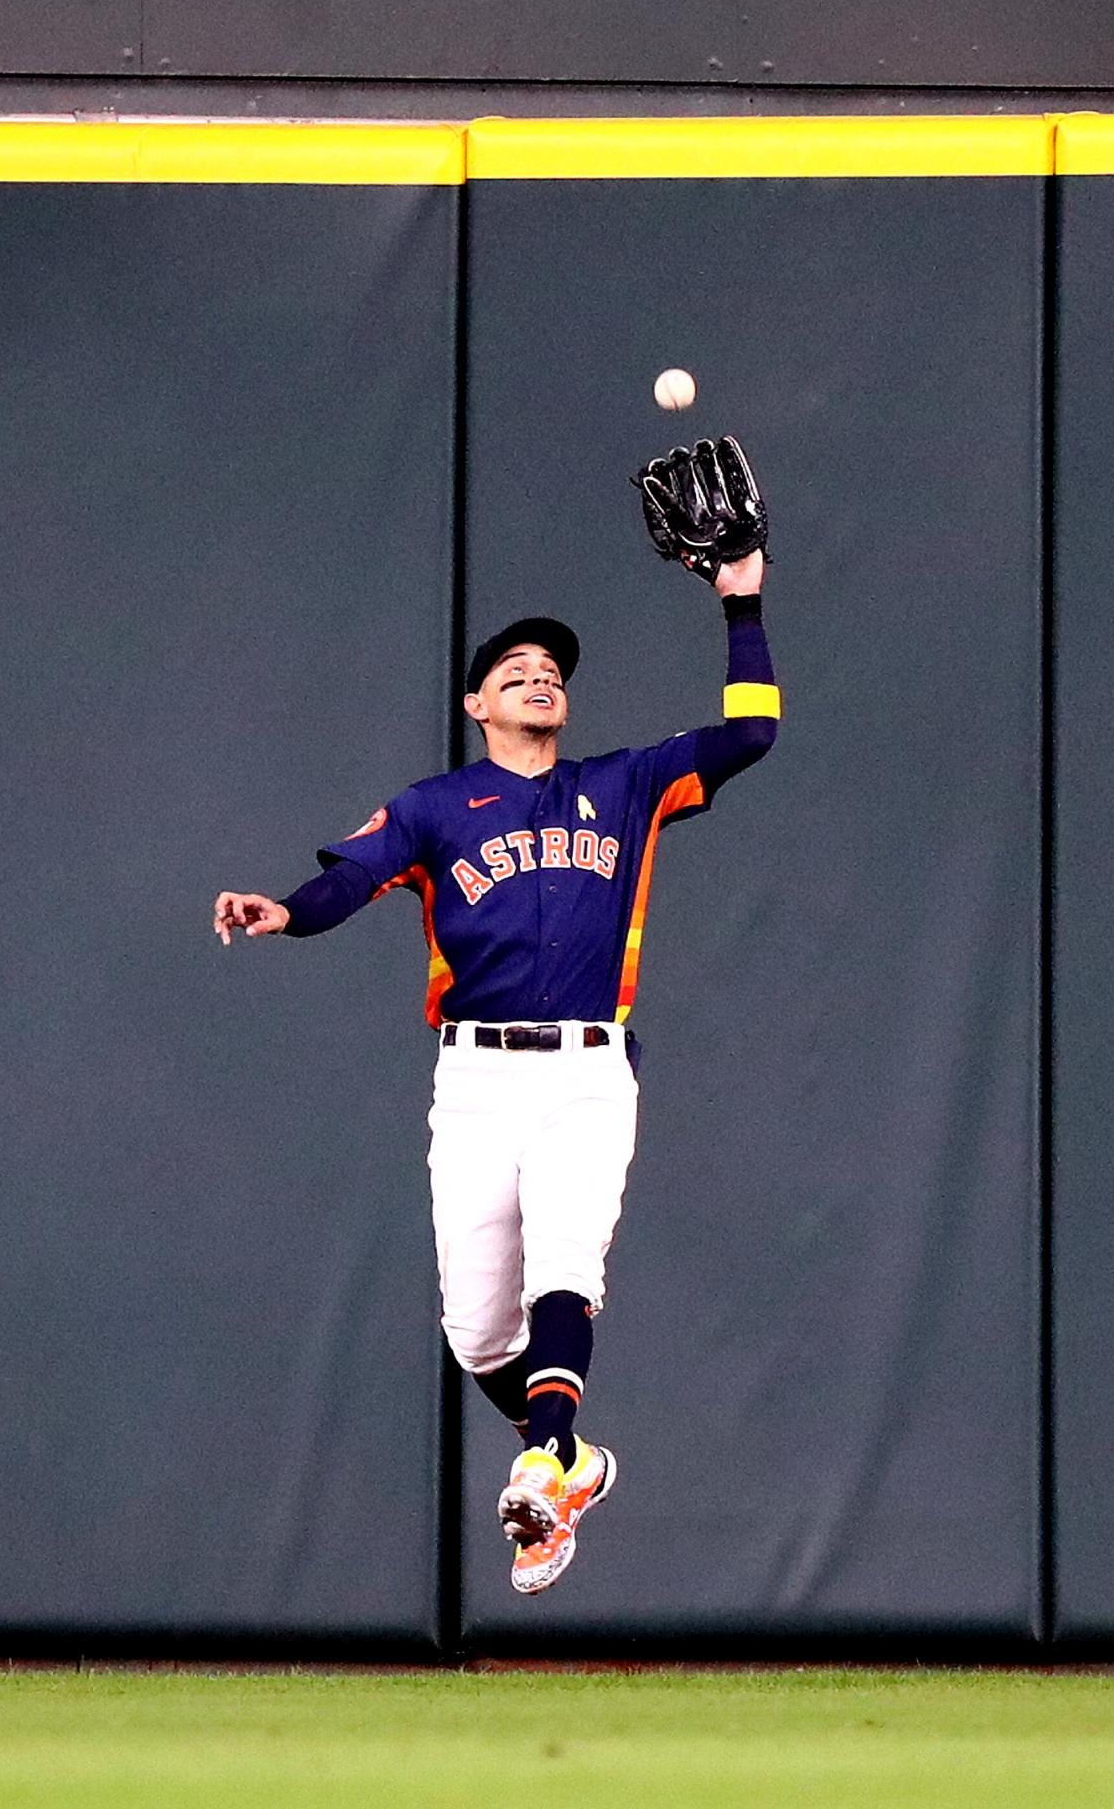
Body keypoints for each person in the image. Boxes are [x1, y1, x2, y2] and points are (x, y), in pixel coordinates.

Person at [212, 549, 777, 1593]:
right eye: (512, 667)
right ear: (476, 700)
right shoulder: (434, 806)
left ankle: (539, 1457)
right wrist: (286, 912)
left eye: (550, 666)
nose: (536, 674)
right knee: (476, 1334)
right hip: (472, 1080)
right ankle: (570, 1466)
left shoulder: (625, 783)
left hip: (585, 1071)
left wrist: (740, 605)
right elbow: (355, 881)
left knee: (567, 1263)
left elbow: (750, 733)